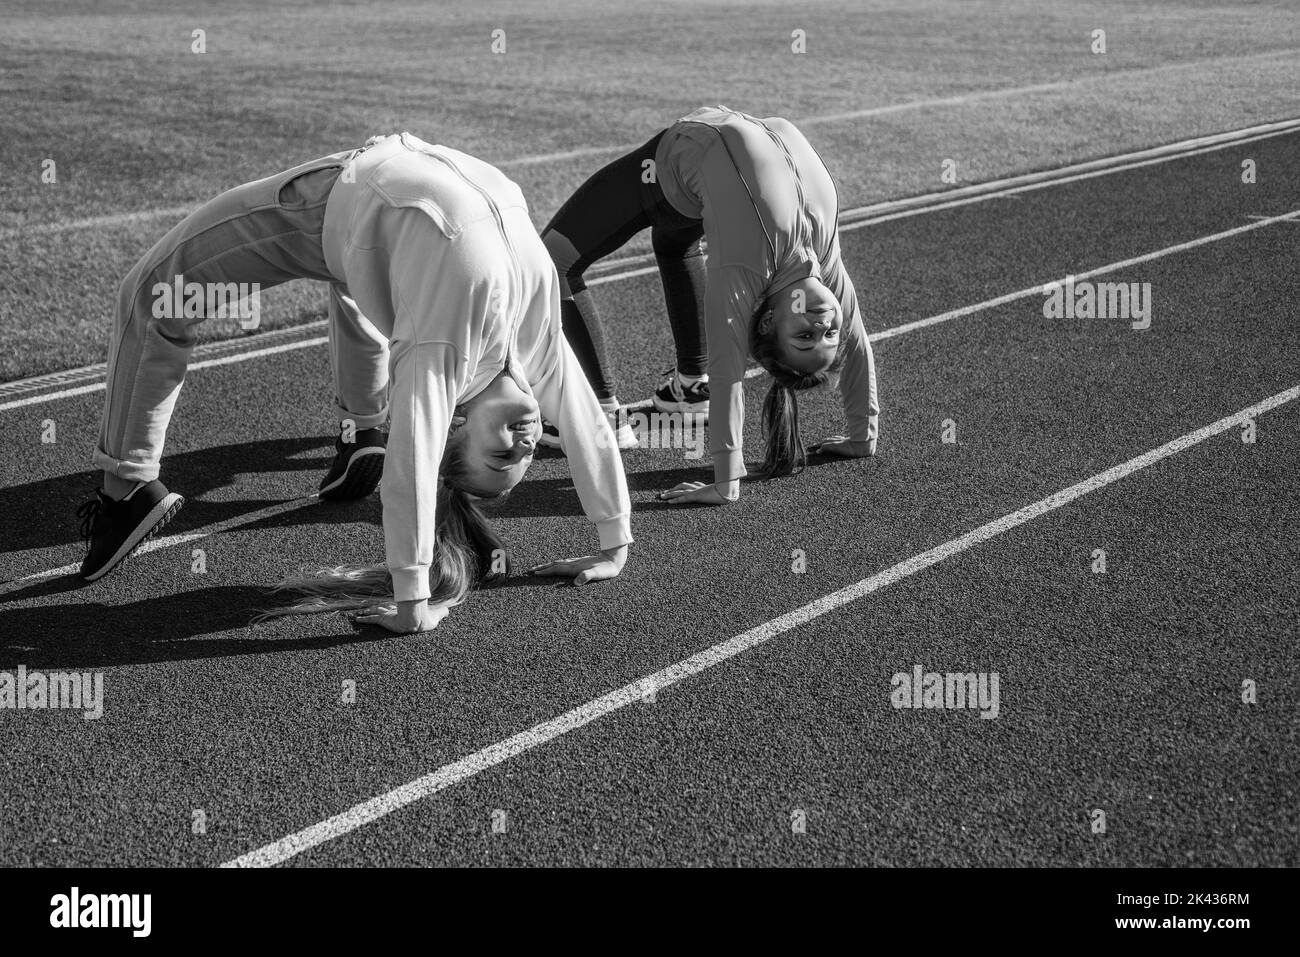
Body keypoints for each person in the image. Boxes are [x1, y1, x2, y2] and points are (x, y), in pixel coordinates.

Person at [79, 133, 632, 633]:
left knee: (150, 296)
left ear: (455, 426)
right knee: (370, 289)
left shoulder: (442, 353)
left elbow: (413, 461)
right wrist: (614, 541)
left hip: (324, 214)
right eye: (523, 461)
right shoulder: (533, 344)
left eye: (499, 457)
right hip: (384, 234)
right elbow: (587, 421)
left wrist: (412, 599)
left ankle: (125, 487)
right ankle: (361, 431)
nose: (526, 444)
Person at [540, 106, 880, 503]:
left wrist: (726, 480)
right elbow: (856, 342)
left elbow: (729, 367)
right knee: (675, 242)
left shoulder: (745, 263)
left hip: (665, 174)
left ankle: (600, 412)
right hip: (701, 186)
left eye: (805, 335)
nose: (824, 323)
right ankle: (689, 387)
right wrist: (863, 433)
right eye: (829, 334)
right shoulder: (823, 264)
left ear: (769, 321)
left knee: (553, 260)